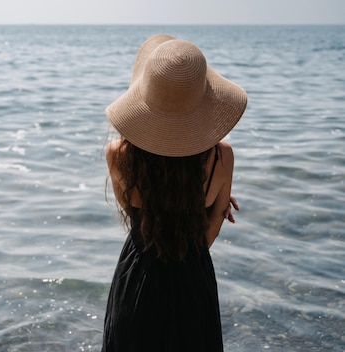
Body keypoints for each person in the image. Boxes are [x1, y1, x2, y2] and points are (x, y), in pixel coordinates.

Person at [102, 34, 247, 351]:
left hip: (137, 281)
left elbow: (135, 216)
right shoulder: (222, 158)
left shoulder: (118, 155)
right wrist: (214, 209)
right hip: (192, 285)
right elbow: (205, 238)